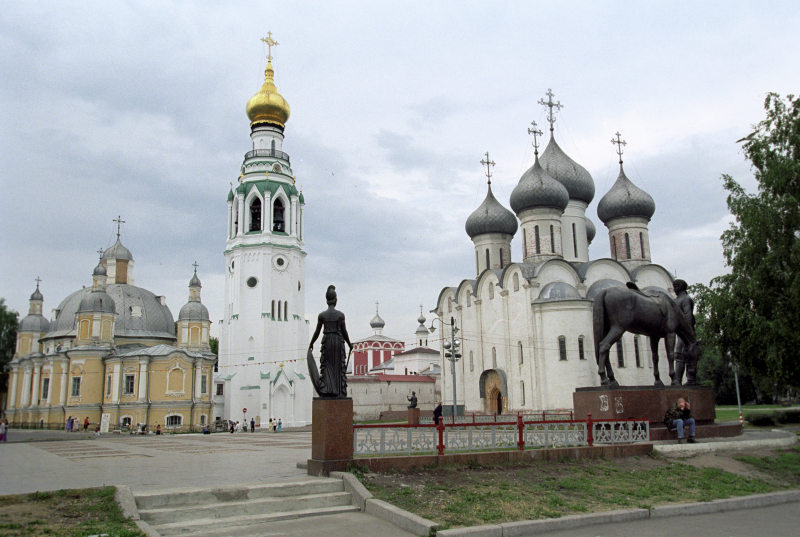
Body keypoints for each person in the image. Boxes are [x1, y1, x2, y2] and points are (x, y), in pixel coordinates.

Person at [308, 285, 353, 397]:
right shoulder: (340, 315)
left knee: (328, 366)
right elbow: (344, 332)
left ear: (327, 301)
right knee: (337, 367)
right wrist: (349, 344)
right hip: (338, 342)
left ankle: (328, 389)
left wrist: (312, 343)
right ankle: (338, 392)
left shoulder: (322, 315)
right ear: (335, 300)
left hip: (327, 342)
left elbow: (317, 331)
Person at [673, 279, 697, 384]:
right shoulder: (677, 300)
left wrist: (689, 333)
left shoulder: (686, 299)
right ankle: (678, 380)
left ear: (680, 287)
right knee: (680, 355)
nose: (674, 289)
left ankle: (690, 380)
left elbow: (688, 316)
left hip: (686, 333)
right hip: (680, 332)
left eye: (675, 286)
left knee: (687, 354)